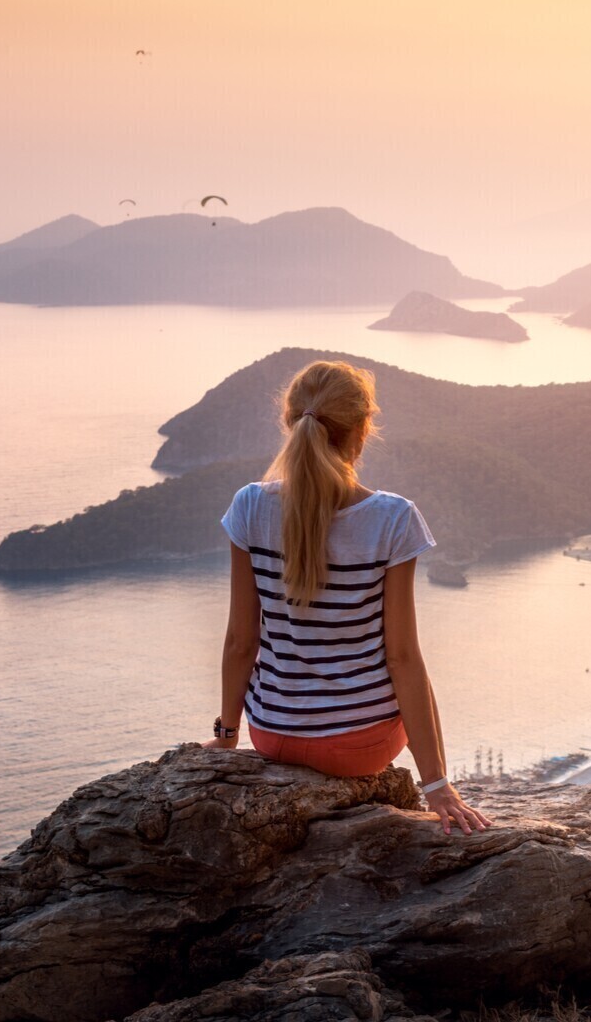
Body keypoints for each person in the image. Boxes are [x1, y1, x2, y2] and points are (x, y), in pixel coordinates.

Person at [202, 358, 488, 836]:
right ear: (363, 429)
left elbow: (240, 641)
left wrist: (228, 735)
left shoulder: (249, 505)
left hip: (273, 734)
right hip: (362, 745)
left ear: (289, 424)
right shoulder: (393, 518)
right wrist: (436, 785)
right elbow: (401, 657)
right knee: (410, 670)